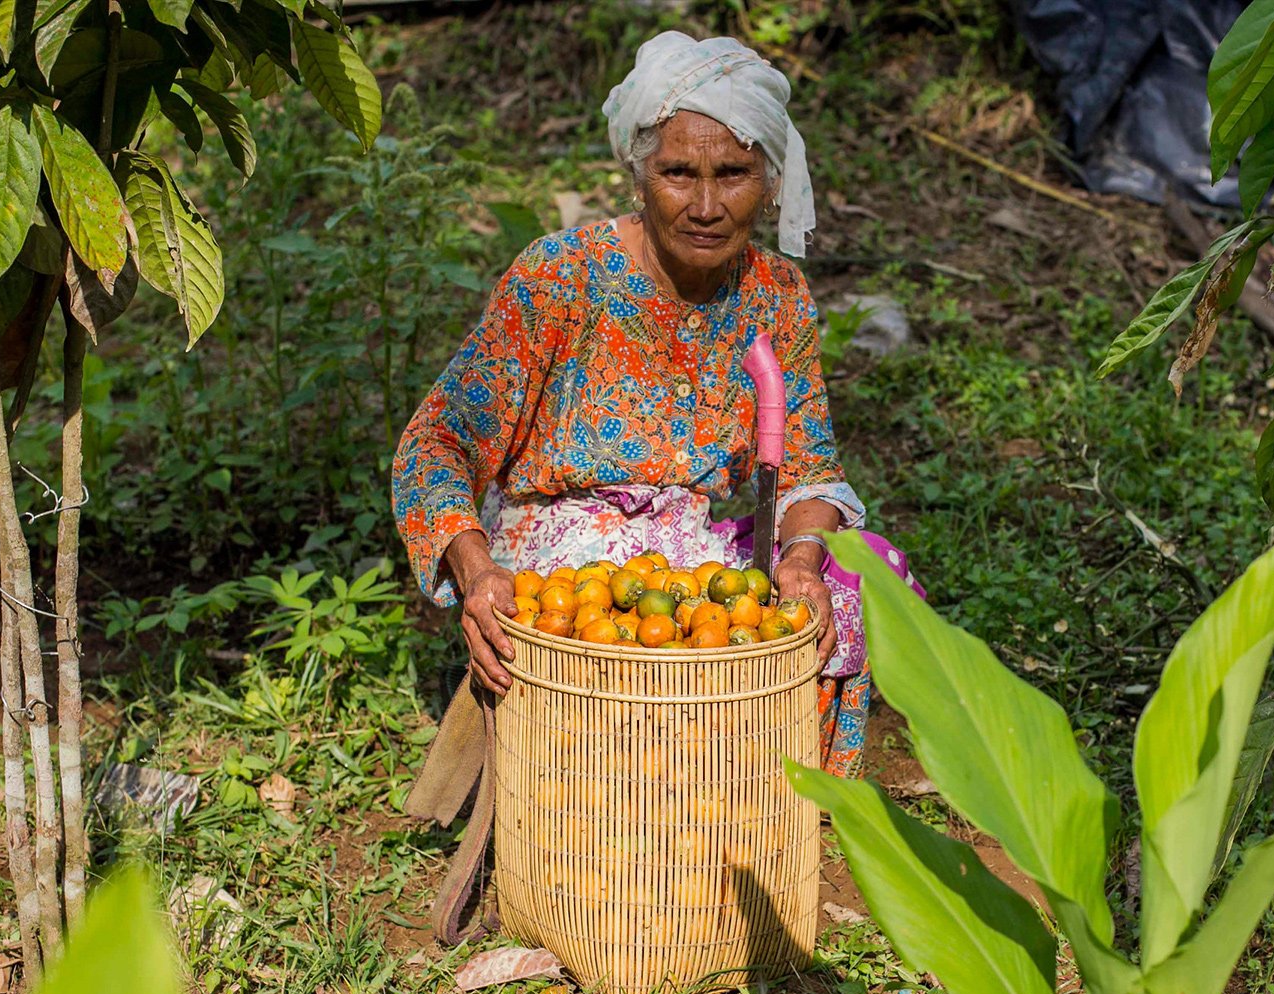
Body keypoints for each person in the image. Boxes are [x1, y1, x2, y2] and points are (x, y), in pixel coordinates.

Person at [392, 31, 921, 778]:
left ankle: (772, 800)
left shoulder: (777, 296)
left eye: (733, 174)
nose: (706, 205)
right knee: (631, 656)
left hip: (694, 557)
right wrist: (479, 572)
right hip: (560, 556)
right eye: (679, 173)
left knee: (858, 580)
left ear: (769, 183)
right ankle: (614, 807)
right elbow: (438, 442)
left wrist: (801, 559)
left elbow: (809, 470)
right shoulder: (560, 278)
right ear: (638, 176)